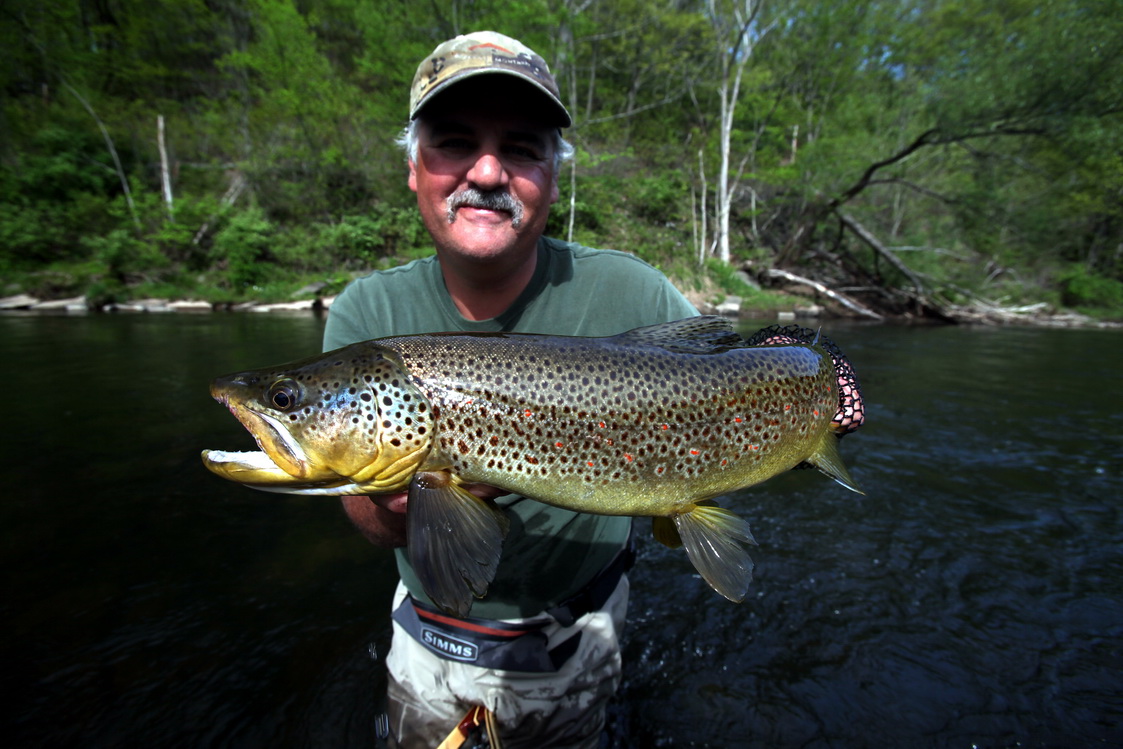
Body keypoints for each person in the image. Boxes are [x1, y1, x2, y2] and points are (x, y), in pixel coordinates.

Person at [323, 31, 698, 748]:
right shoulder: (367, 316)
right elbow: (369, 525)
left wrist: (814, 408)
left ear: (552, 177)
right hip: (431, 634)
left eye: (521, 147)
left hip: (580, 626)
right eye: (455, 142)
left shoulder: (635, 291)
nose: (487, 170)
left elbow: (734, 384)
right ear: (414, 168)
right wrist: (420, 493)